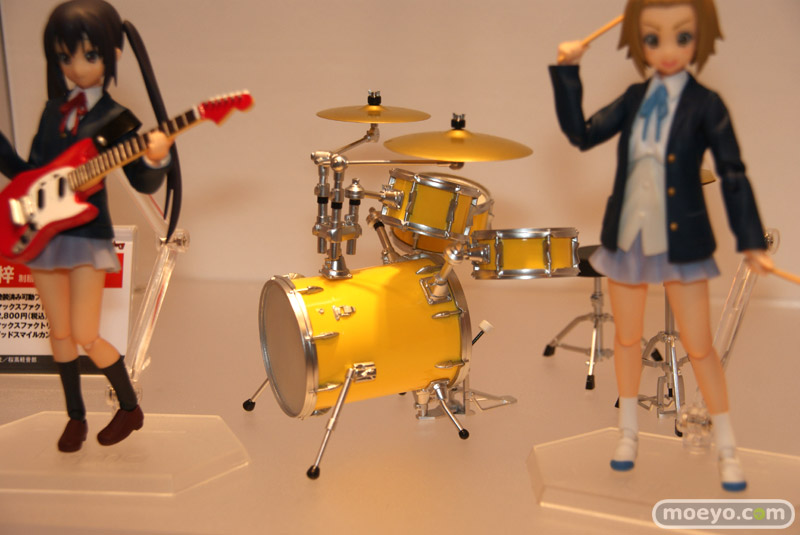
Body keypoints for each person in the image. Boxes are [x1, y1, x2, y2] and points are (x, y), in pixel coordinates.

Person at [549, 0, 772, 491]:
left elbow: (732, 172)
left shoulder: (706, 104)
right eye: (653, 38)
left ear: (699, 40)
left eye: (682, 37)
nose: (668, 50)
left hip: (681, 240)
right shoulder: (634, 98)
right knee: (627, 339)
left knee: (700, 346)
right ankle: (627, 432)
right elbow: (582, 134)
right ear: (638, 42)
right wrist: (568, 71)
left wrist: (751, 240)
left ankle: (725, 444)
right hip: (629, 235)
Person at [0, 0, 174, 452]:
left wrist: (157, 158)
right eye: (64, 56)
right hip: (44, 234)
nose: (76, 67)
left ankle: (130, 407)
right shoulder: (53, 111)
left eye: (89, 55)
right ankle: (75, 416)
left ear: (112, 55)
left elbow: (141, 181)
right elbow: (30, 174)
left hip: (86, 235)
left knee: (85, 332)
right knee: (58, 332)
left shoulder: (118, 120)